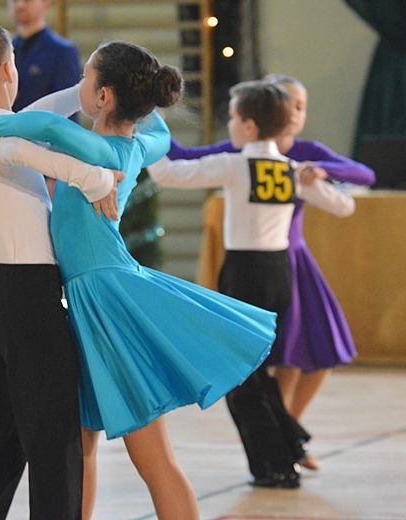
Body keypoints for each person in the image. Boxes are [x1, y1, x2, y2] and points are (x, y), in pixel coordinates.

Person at [0, 42, 278, 518]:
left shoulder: (104, 149)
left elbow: (37, 125)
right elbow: (156, 127)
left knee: (151, 456)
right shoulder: (140, 143)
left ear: (103, 96)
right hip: (88, 301)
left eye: (85, 77)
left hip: (109, 301)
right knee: (81, 445)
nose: (78, 85)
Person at [0, 21, 121, 519]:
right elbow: (28, 148)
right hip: (28, 302)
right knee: (55, 448)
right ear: (7, 71)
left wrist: (80, 92)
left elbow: (35, 118)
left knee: (0, 445)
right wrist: (97, 178)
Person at [147, 80, 356, 488]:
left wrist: (149, 129)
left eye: (231, 117)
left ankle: (274, 465)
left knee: (239, 377)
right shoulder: (291, 170)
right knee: (255, 373)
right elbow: (344, 206)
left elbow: (170, 174)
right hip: (281, 275)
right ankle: (289, 446)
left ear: (247, 126)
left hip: (244, 274)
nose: (229, 124)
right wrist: (315, 180)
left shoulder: (235, 164)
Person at [10, 0, 81, 112]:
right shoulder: (4, 51)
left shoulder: (62, 52)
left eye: (27, 0)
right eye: (14, 0)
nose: (19, 5)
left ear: (46, 3)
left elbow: (68, 111)